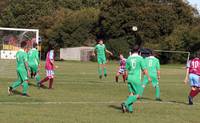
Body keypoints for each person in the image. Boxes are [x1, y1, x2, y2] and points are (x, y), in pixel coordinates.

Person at [121, 45, 151, 113]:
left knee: (131, 93)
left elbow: (125, 70)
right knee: (138, 95)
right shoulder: (140, 58)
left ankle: (130, 110)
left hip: (129, 78)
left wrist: (125, 77)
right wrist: (148, 77)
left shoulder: (128, 58)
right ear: (139, 51)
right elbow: (144, 69)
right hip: (136, 78)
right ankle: (125, 104)